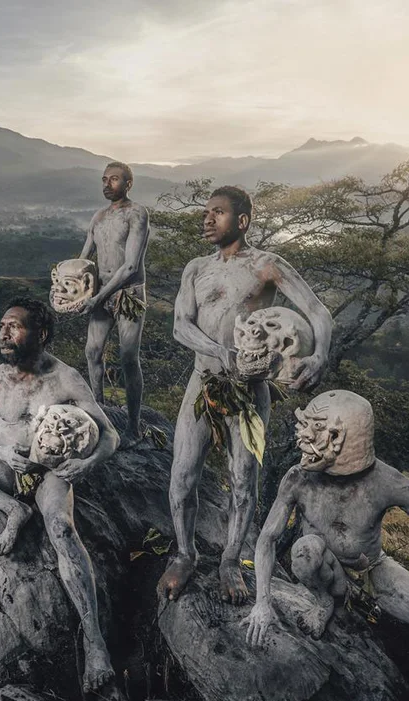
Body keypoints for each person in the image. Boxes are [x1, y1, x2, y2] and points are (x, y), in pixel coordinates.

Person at [242, 390, 409, 701]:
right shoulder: (298, 478)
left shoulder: (384, 480)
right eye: (305, 428)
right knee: (305, 550)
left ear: (341, 437)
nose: (302, 437)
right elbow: (267, 539)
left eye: (316, 430)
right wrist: (262, 602)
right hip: (325, 570)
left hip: (373, 569)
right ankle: (325, 603)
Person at [0, 297, 120, 690]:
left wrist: (84, 465)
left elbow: (110, 434)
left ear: (41, 334)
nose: (4, 333)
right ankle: (12, 510)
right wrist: (3, 454)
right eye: (2, 326)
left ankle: (95, 644)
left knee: (62, 529)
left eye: (15, 326)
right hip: (7, 468)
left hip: (50, 473)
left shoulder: (65, 379)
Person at [158, 186, 333, 604]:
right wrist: (218, 350)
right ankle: (185, 553)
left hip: (249, 390)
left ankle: (232, 560)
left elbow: (317, 311)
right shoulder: (196, 268)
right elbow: (181, 325)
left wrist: (320, 356)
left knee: (242, 481)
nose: (206, 219)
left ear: (243, 221)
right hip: (204, 381)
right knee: (182, 477)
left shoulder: (266, 265)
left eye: (217, 212)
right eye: (205, 212)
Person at [77, 162, 150, 440]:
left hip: (128, 294)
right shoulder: (98, 218)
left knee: (129, 356)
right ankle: (99, 412)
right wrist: (66, 287)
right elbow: (83, 262)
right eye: (105, 179)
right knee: (92, 352)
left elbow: (131, 266)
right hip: (100, 295)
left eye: (115, 179)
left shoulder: (137, 213)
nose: (108, 184)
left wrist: (97, 297)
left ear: (128, 184)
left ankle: (134, 425)